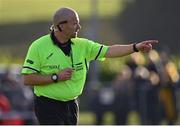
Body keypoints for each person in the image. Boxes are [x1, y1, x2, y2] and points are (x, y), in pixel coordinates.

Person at [21, 7, 158, 125]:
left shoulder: (83, 45)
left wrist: (135, 47)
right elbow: (27, 79)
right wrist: (56, 77)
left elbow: (109, 50)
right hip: (47, 105)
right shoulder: (38, 46)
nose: (79, 27)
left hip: (72, 104)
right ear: (61, 26)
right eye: (75, 23)